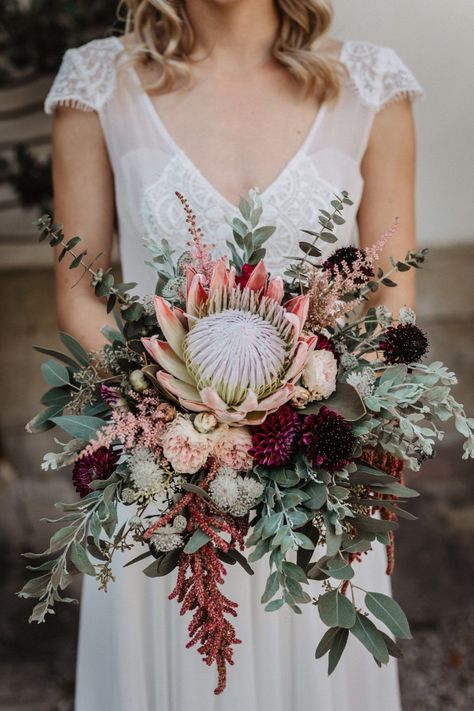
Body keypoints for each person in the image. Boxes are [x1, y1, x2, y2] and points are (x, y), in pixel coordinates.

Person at [44, 1, 423, 709]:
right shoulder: (99, 84)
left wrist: (319, 416)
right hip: (163, 475)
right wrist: (180, 421)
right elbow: (79, 292)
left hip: (320, 473)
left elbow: (392, 296)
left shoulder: (372, 87)